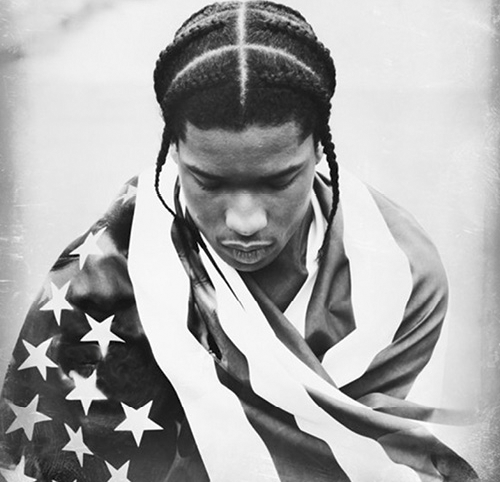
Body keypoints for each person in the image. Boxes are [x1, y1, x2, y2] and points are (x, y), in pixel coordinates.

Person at [0, 1, 478, 481]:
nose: (245, 221)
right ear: (174, 152)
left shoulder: (399, 274)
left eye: (278, 181)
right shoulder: (105, 278)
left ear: (318, 148)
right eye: (208, 182)